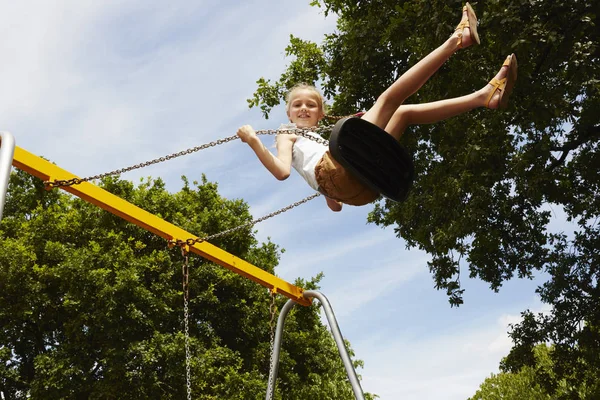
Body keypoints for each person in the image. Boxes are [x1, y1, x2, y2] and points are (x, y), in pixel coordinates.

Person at [237, 3, 517, 212]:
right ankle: (457, 40)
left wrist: (323, 187)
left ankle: (484, 97)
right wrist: (253, 142)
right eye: (297, 105)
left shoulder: (316, 144)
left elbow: (336, 207)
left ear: (321, 114)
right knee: (387, 100)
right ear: (288, 113)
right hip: (344, 175)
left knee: (403, 114)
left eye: (311, 105)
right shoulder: (287, 134)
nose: (304, 109)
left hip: (361, 190)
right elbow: (282, 171)